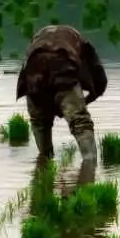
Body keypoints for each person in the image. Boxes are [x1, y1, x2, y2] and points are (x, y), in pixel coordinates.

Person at [16, 23, 107, 170]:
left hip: (34, 76)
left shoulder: (37, 40)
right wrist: (83, 103)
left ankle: (45, 162)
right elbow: (101, 80)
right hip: (62, 68)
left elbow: (24, 73)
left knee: (40, 122)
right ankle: (90, 166)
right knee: (81, 123)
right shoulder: (79, 41)